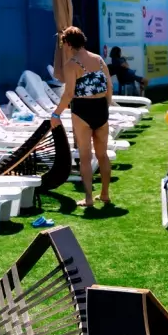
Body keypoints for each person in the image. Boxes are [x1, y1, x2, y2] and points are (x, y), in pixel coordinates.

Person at [51, 26, 113, 208]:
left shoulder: (71, 64)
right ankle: (105, 194)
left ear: (68, 44)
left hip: (82, 110)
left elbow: (69, 93)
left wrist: (56, 114)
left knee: (85, 157)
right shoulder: (99, 59)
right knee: (102, 155)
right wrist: (105, 106)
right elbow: (109, 86)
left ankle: (88, 199)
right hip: (101, 108)